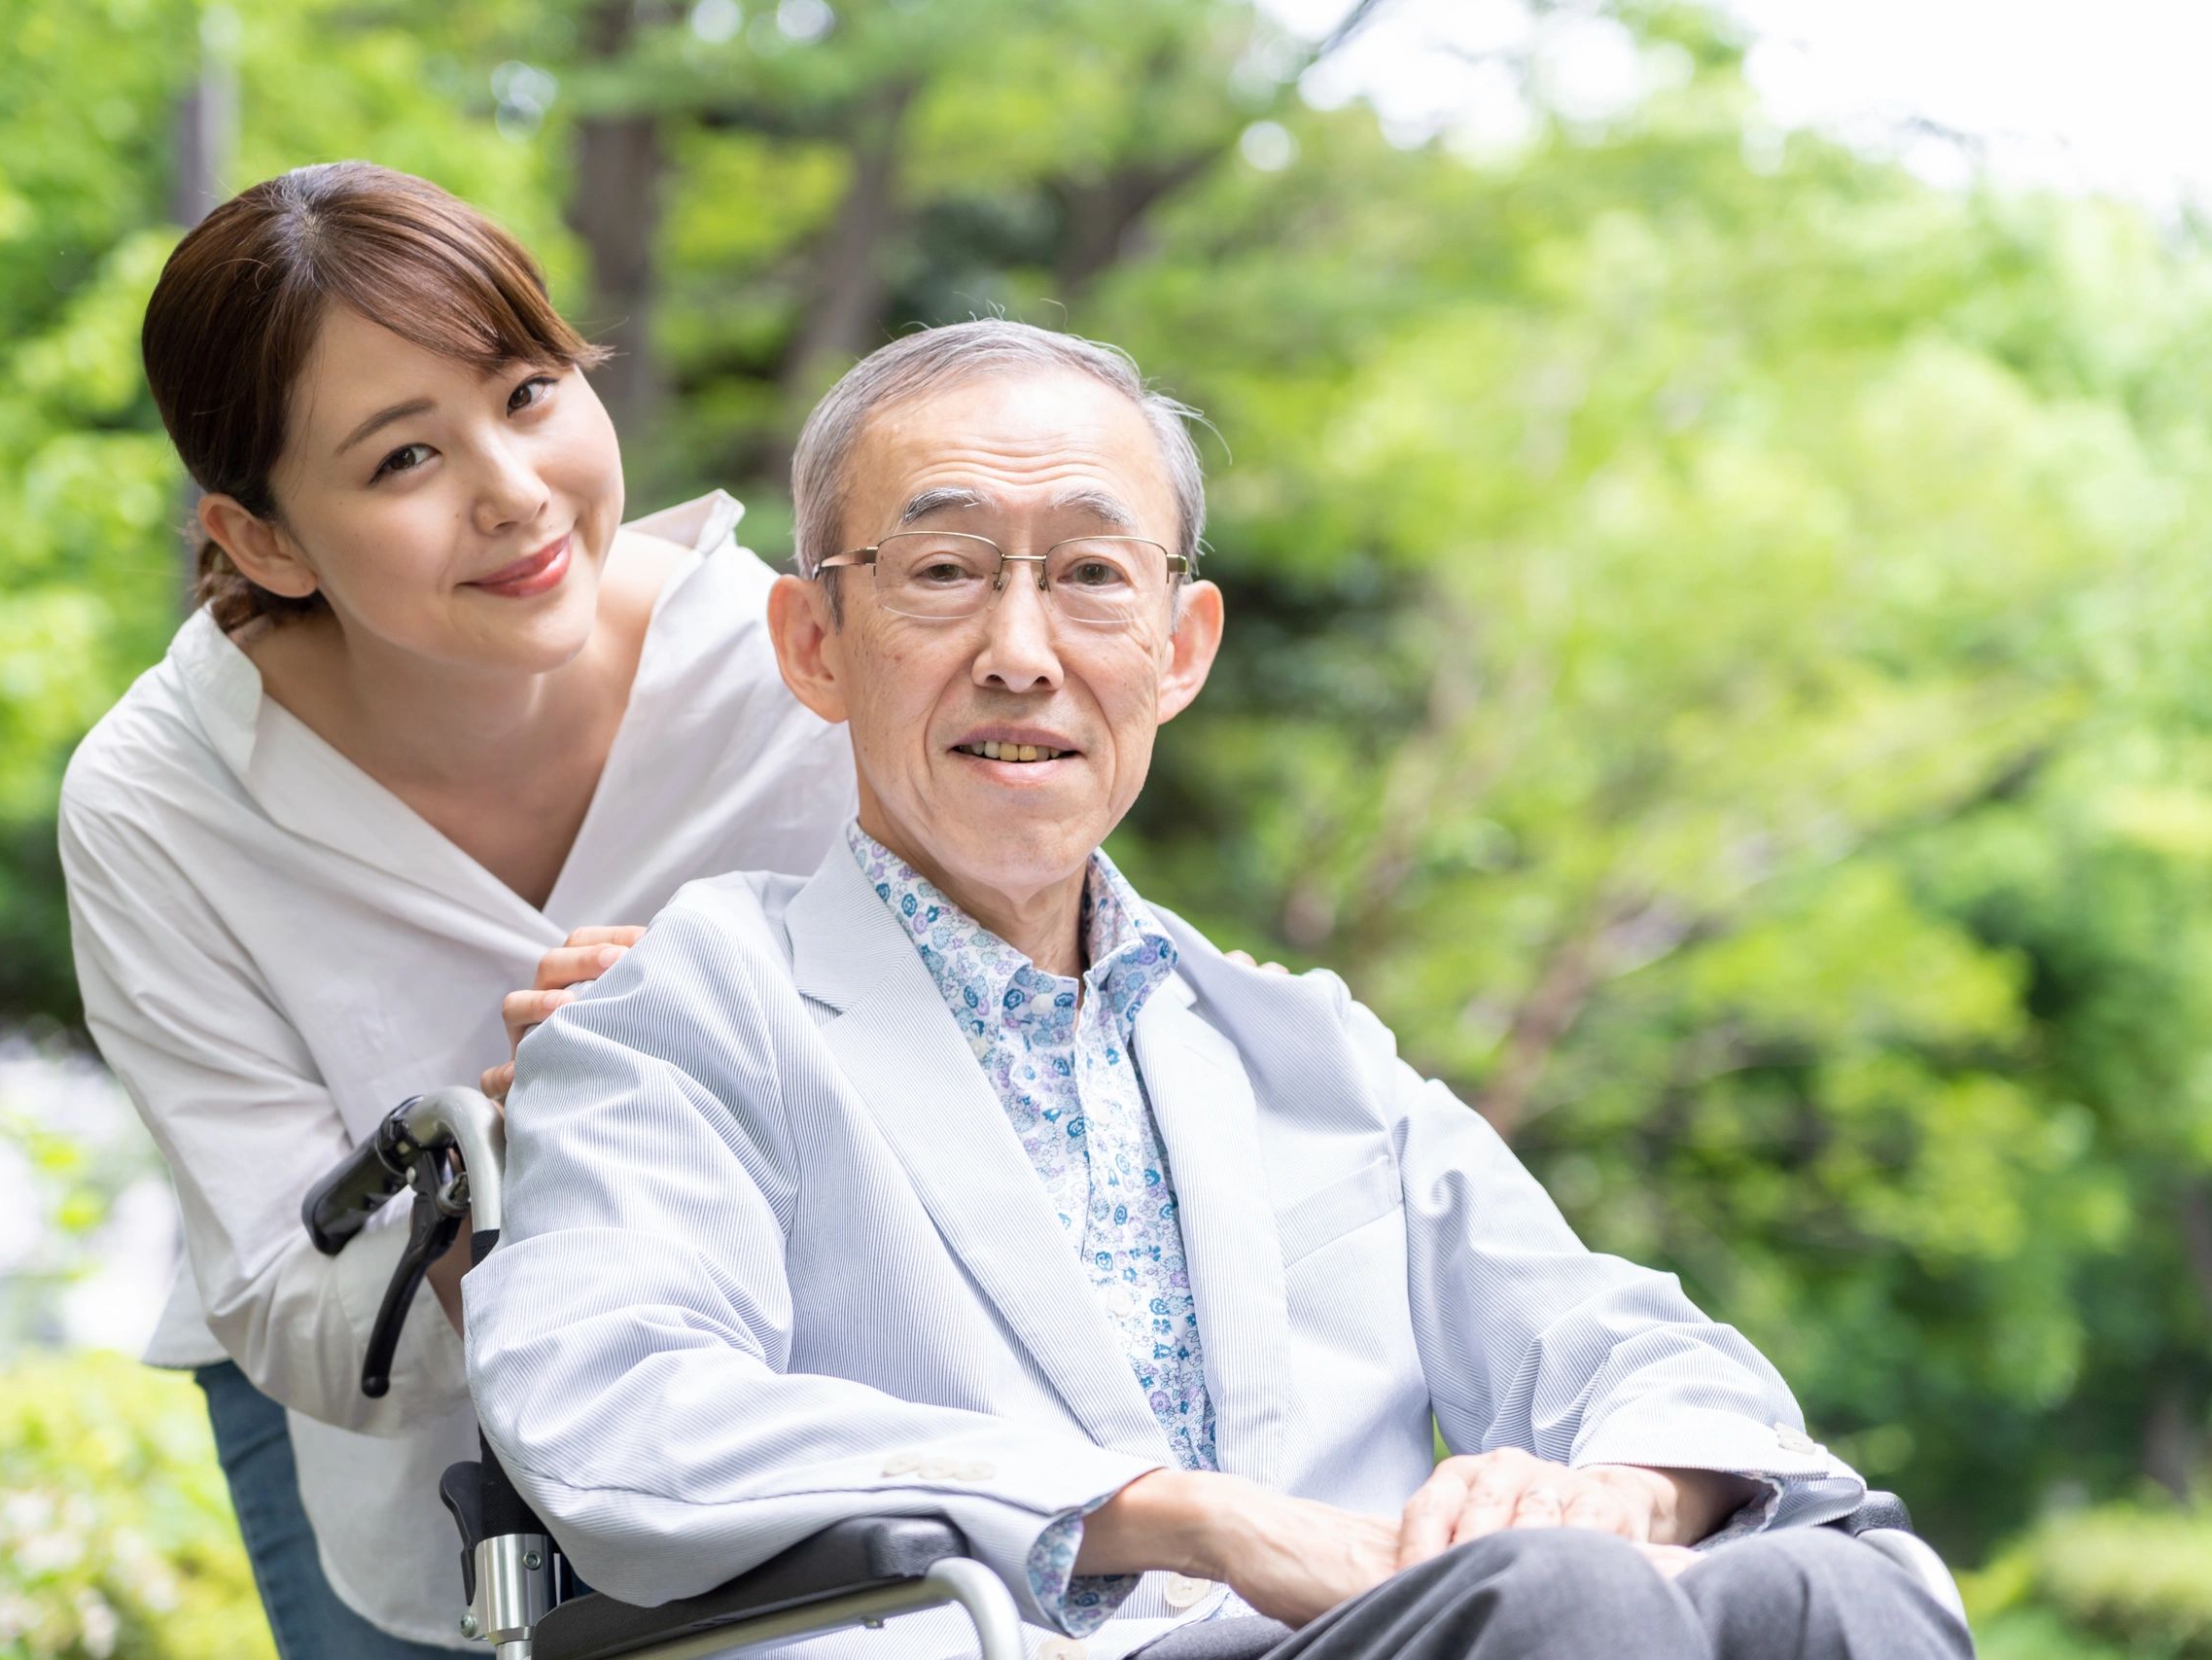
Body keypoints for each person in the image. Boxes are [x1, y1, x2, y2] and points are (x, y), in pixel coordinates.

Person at [463, 321, 1972, 1660]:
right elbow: (612, 1406)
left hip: (1404, 1630)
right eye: (942, 571)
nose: (1022, 652)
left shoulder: (1296, 1039)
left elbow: (1643, 1348)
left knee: (1853, 1595)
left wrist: (1607, 1486)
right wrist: (1178, 1517)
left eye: (1093, 579)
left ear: (1178, 652)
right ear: (814, 644)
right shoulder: (683, 1009)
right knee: (1562, 1613)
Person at [58, 161, 857, 1655]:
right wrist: (496, 1186)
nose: (514, 489)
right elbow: (281, 1290)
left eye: (532, 391)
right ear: (264, 542)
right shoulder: (160, 805)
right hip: (391, 1463)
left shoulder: (795, 680)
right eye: (402, 460)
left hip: (802, 1420)